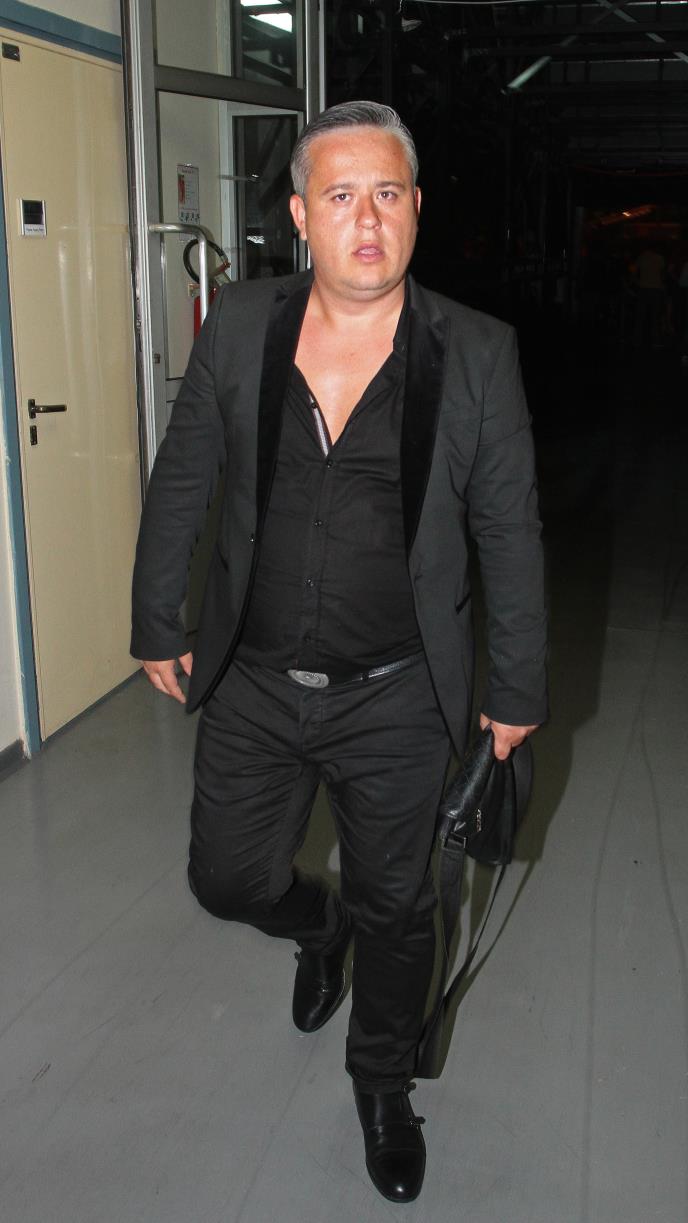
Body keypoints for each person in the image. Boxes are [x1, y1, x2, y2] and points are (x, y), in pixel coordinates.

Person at [131, 101, 547, 1204]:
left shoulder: (475, 351)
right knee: (226, 877)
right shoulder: (240, 326)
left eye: (388, 194)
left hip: (399, 692)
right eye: (341, 195)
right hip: (255, 680)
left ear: (416, 208)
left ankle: (382, 1085)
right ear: (299, 216)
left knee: (401, 906)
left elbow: (509, 529)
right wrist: (156, 615)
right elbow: (185, 474)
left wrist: (515, 686)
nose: (367, 219)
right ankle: (321, 930)